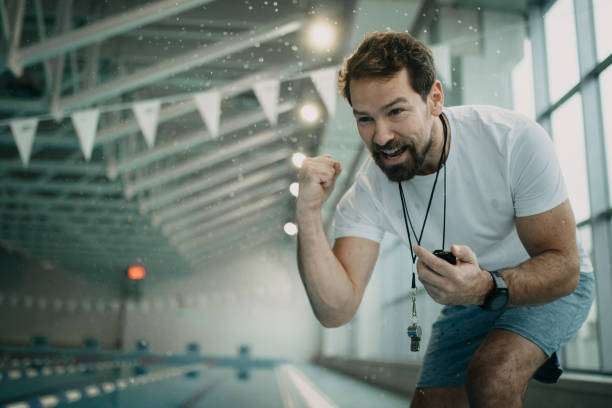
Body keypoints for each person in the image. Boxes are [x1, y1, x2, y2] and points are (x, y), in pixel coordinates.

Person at [295, 31, 595, 407]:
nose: (382, 136)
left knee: (492, 377)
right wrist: (307, 213)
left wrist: (486, 286)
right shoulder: (369, 191)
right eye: (365, 119)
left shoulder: (511, 140)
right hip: (467, 298)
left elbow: (564, 268)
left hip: (548, 284)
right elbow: (335, 311)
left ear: (434, 99)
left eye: (396, 111)